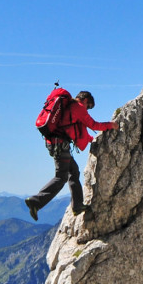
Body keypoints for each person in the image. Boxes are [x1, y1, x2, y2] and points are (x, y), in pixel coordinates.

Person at [25, 90, 118, 220]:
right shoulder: (79, 108)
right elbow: (93, 124)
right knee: (61, 177)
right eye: (89, 106)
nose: (88, 109)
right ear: (85, 100)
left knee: (73, 172)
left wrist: (91, 139)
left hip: (55, 143)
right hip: (60, 145)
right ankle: (36, 201)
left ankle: (77, 205)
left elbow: (76, 128)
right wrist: (111, 125)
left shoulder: (70, 106)